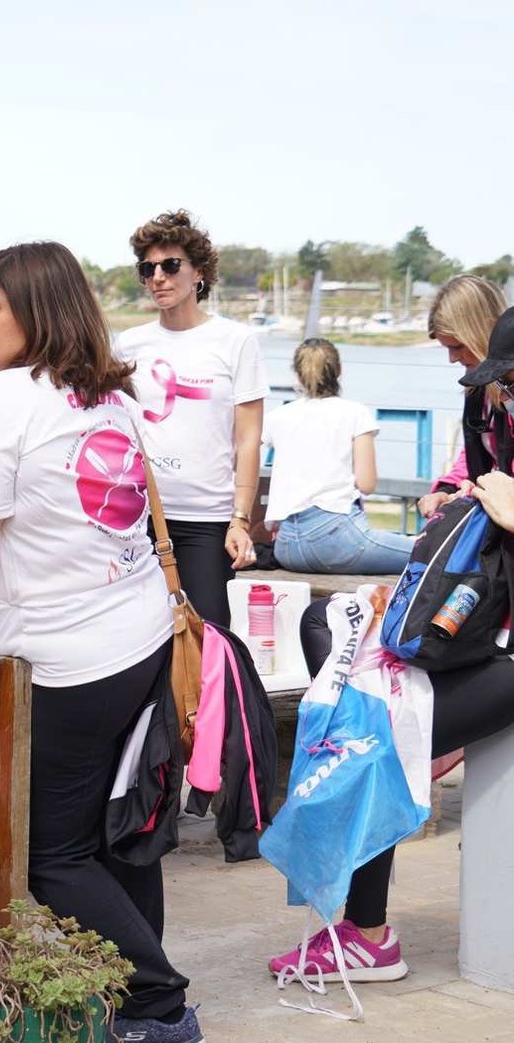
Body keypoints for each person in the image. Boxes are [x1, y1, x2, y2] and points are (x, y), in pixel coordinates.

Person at [0, 242, 201, 1043]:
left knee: (48, 853)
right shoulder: (99, 394)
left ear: (35, 314)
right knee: (117, 837)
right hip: (136, 639)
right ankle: (124, 1000)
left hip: (69, 660)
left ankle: (155, 1004)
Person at [272, 463, 514, 985]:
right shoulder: (491, 416)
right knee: (326, 621)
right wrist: (451, 491)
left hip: (503, 655)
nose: (474, 382)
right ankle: (374, 752)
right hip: (476, 625)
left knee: (372, 736)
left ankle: (367, 933)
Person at [115, 210, 267, 627]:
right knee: (140, 636)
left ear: (199, 271)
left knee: (209, 634)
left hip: (207, 519)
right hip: (139, 517)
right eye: (148, 268)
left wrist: (240, 519)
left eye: (170, 265)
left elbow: (249, 439)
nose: (158, 277)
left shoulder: (236, 342)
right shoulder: (130, 344)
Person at [261, 338, 414, 574]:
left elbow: (246, 449)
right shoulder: (354, 413)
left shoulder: (278, 416)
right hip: (335, 539)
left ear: (298, 375)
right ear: (339, 371)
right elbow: (367, 483)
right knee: (427, 552)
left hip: (287, 546)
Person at [417, 275, 508, 518]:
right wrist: (447, 489)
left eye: (456, 346)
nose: (452, 358)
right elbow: (479, 450)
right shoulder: (479, 389)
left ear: (486, 329)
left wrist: (483, 489)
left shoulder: (505, 392)